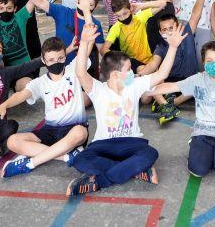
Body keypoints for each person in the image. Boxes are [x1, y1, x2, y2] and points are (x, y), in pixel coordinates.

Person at [66, 22, 185, 196]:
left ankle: (99, 182)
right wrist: (84, 43)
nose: (133, 72)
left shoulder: (134, 85)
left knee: (150, 154)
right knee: (80, 160)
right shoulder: (97, 89)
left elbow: (162, 75)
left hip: (132, 143)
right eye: (128, 69)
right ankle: (134, 170)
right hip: (103, 144)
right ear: (115, 74)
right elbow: (81, 73)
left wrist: (173, 47)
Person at [149, 41, 215, 178]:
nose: (214, 64)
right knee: (197, 170)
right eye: (209, 60)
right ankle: (199, 147)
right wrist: (142, 89)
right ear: (204, 64)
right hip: (203, 132)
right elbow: (172, 86)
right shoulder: (198, 79)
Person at [0, 37, 89, 178]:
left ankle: (29, 163)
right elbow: (22, 94)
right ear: (43, 61)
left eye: (60, 58)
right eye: (51, 60)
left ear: (65, 57)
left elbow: (85, 52)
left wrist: (87, 37)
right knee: (12, 141)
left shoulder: (73, 69)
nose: (56, 62)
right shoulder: (40, 83)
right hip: (49, 130)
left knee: (80, 132)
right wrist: (4, 105)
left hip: (73, 128)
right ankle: (66, 156)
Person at [137, 0, 211, 124]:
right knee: (144, 97)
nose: (168, 31)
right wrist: (139, 77)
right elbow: (153, 65)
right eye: (164, 29)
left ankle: (171, 104)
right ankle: (166, 102)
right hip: (170, 84)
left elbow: (196, 12)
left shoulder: (187, 32)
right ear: (160, 32)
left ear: (178, 26)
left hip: (188, 83)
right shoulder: (161, 45)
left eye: (171, 27)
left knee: (202, 81)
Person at [10, 0, 105, 67]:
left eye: (90, 5)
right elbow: (41, 2)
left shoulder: (95, 24)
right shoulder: (63, 12)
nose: (85, 6)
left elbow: (101, 50)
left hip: (83, 68)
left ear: (95, 7)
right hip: (59, 66)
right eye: (84, 2)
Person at [101, 0, 167, 71]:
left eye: (125, 13)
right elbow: (103, 50)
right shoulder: (116, 28)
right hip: (131, 64)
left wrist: (141, 5)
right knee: (147, 71)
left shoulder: (140, 17)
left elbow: (163, 4)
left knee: (158, 76)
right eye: (118, 16)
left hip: (149, 60)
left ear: (130, 9)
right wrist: (121, 59)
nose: (123, 18)